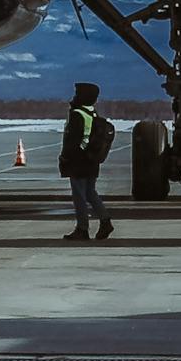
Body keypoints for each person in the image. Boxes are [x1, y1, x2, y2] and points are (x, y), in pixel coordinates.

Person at [58, 80, 115, 242]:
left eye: (77, 93)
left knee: (79, 195)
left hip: (79, 161)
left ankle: (82, 228)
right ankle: (105, 220)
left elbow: (74, 140)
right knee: (90, 193)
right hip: (91, 161)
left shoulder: (78, 114)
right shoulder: (92, 113)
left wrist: (66, 157)